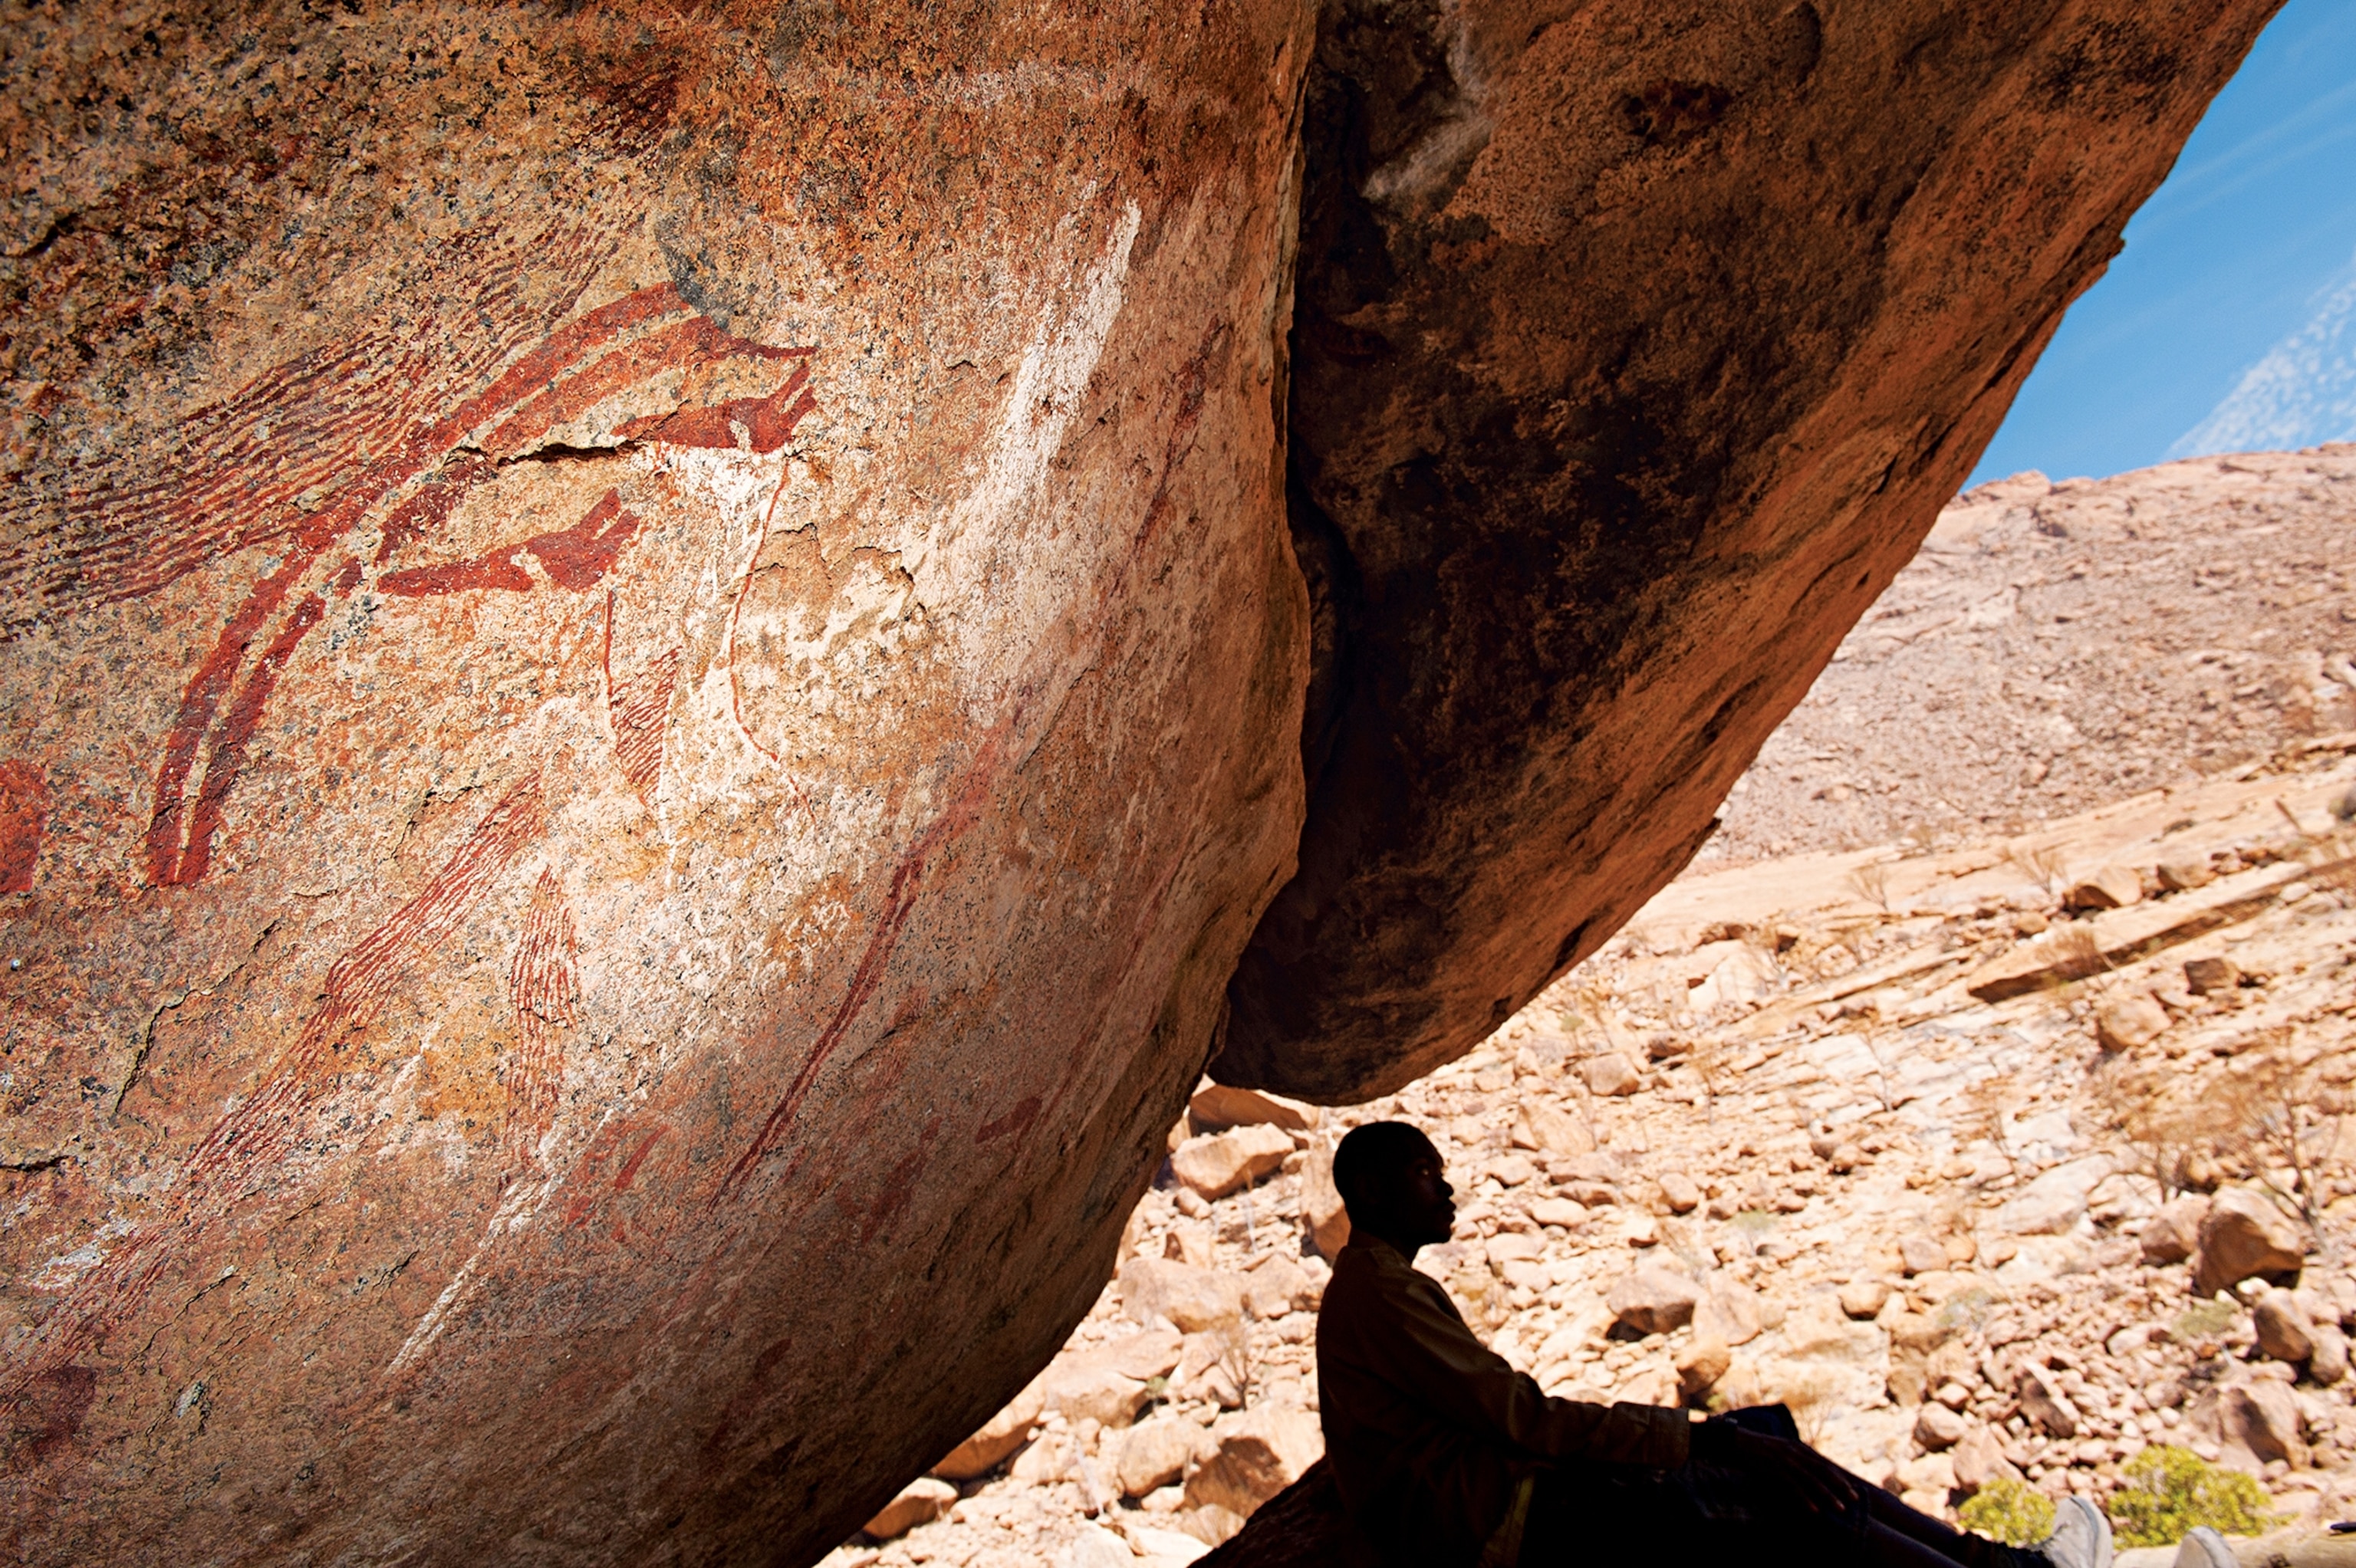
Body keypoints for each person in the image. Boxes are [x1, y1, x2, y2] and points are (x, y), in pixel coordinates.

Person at [1316, 1120, 2115, 1568]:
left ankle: (1999, 1565)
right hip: (1484, 1520)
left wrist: (1707, 1436)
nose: (1448, 1188)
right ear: (1377, 1190)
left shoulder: (1379, 1279)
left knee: (1766, 1443)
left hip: (1485, 1495)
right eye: (1428, 1172)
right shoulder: (1382, 1290)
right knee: (1768, 1493)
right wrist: (1690, 1434)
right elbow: (1520, 1415)